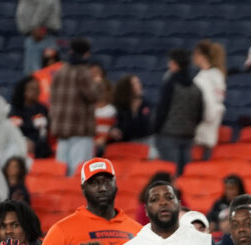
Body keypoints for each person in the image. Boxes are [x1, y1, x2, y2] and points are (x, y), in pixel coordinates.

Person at [32, 157, 141, 245]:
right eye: (94, 183)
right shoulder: (61, 231)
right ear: (83, 188)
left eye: (107, 181)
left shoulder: (138, 231)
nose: (102, 188)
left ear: (115, 184)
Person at [50, 37, 102, 176]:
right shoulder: (82, 72)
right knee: (79, 172)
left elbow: (52, 99)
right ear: (86, 53)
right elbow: (94, 96)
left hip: (62, 129)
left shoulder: (59, 72)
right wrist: (98, 82)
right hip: (80, 130)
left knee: (61, 170)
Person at [154, 49, 203, 175]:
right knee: (185, 175)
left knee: (170, 174)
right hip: (188, 135)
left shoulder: (170, 83)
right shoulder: (196, 87)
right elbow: (200, 114)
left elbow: (162, 110)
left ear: (175, 64)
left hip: (169, 135)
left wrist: (156, 129)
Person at [192, 40, 227, 160]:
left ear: (201, 56)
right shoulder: (207, 75)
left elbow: (213, 101)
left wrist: (208, 117)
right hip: (205, 123)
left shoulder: (212, 77)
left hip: (206, 122)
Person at [10, 76, 51, 159]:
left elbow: (49, 125)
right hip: (23, 151)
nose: (37, 91)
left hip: (43, 151)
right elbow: (15, 128)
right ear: (24, 91)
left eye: (38, 88)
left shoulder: (42, 108)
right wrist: (34, 124)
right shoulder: (15, 109)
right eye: (33, 89)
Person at [16, 0, 61, 76]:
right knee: (32, 74)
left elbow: (47, 3)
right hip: (33, 35)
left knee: (41, 73)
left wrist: (35, 25)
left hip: (41, 35)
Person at [110, 75, 153, 144]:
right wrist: (114, 130)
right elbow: (116, 125)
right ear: (127, 88)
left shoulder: (147, 105)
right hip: (126, 143)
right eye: (135, 84)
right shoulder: (120, 107)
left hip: (145, 141)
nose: (139, 85)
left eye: (138, 83)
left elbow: (148, 128)